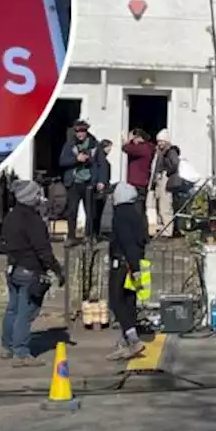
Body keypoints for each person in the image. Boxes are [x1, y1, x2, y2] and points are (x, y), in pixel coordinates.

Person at [0, 179, 65, 367]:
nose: (40, 197)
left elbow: (4, 243)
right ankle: (21, 352)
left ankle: (8, 345)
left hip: (13, 268)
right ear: (30, 197)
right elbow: (43, 249)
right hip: (30, 270)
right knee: (25, 312)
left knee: (12, 309)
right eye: (37, 194)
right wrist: (57, 270)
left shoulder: (10, 217)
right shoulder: (33, 220)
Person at [106, 181, 149, 361]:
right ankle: (124, 342)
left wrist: (133, 265)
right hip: (136, 262)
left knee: (116, 300)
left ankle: (132, 338)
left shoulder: (120, 215)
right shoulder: (138, 213)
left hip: (123, 263)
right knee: (130, 299)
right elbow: (141, 240)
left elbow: (127, 241)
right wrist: (138, 265)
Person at [58, 119, 99, 243]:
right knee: (72, 211)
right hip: (74, 182)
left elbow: (100, 163)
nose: (80, 134)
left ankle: (89, 236)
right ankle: (71, 236)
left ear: (86, 132)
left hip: (89, 182)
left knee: (90, 212)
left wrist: (100, 180)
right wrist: (76, 159)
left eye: (82, 131)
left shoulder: (94, 144)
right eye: (78, 132)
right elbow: (62, 162)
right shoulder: (69, 145)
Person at [122, 129, 156, 208]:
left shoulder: (142, 148)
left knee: (137, 207)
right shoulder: (145, 147)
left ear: (139, 137)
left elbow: (126, 148)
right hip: (139, 182)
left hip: (138, 182)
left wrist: (127, 141)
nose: (132, 141)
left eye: (133, 139)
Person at [91, 138, 113, 235]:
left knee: (99, 211)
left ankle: (96, 232)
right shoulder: (100, 160)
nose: (110, 150)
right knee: (96, 211)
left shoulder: (103, 160)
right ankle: (94, 232)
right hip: (99, 188)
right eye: (108, 147)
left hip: (104, 187)